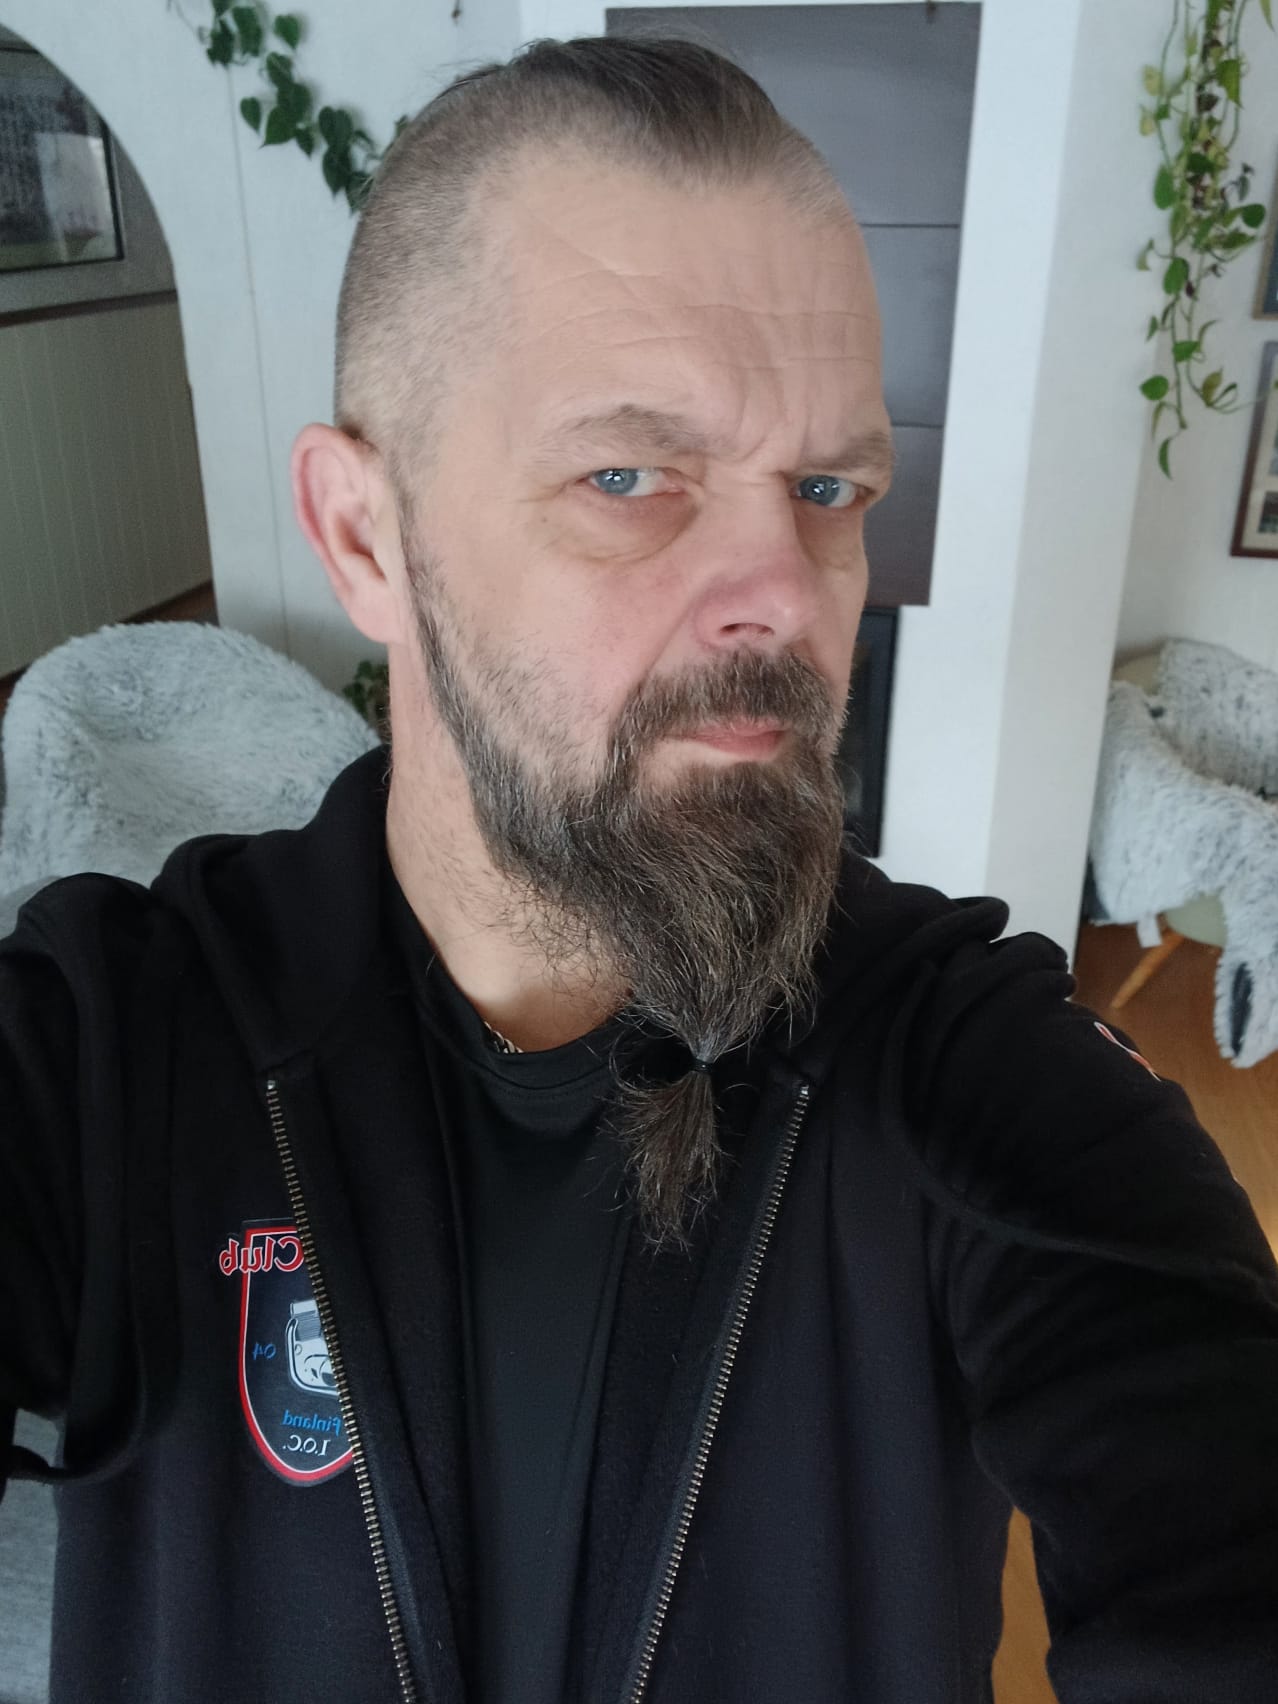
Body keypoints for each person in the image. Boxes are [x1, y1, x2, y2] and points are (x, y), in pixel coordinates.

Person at [2, 32, 1276, 1704]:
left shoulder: (973, 1072)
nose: (787, 592)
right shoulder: (115, 1048)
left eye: (826, 486)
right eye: (626, 477)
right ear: (367, 536)